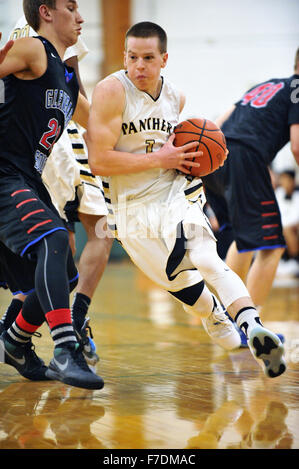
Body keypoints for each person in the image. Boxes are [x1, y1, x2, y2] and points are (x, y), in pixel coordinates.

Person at [86, 21, 286, 378]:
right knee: (189, 293)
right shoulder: (110, 91)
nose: (139, 67)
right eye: (132, 57)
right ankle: (223, 326)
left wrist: (208, 158)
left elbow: (185, 150)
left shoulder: (176, 96)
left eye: (148, 58)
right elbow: (100, 161)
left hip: (174, 192)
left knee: (207, 256)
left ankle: (254, 325)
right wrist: (158, 159)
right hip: (130, 208)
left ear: (164, 59)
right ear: (125, 57)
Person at [0, 0, 104, 390]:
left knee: (66, 273)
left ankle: (14, 342)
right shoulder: (31, 48)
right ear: (46, 12)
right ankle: (66, 348)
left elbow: (100, 124)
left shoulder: (65, 76)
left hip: (26, 178)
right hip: (4, 173)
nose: (80, 17)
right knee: (56, 239)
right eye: (71, 7)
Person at [202, 48, 299, 313]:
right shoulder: (297, 89)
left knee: (244, 243)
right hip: (245, 157)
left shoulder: (266, 85)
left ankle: (229, 318)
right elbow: (298, 146)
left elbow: (219, 122)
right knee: (272, 246)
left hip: (214, 155)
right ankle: (249, 324)